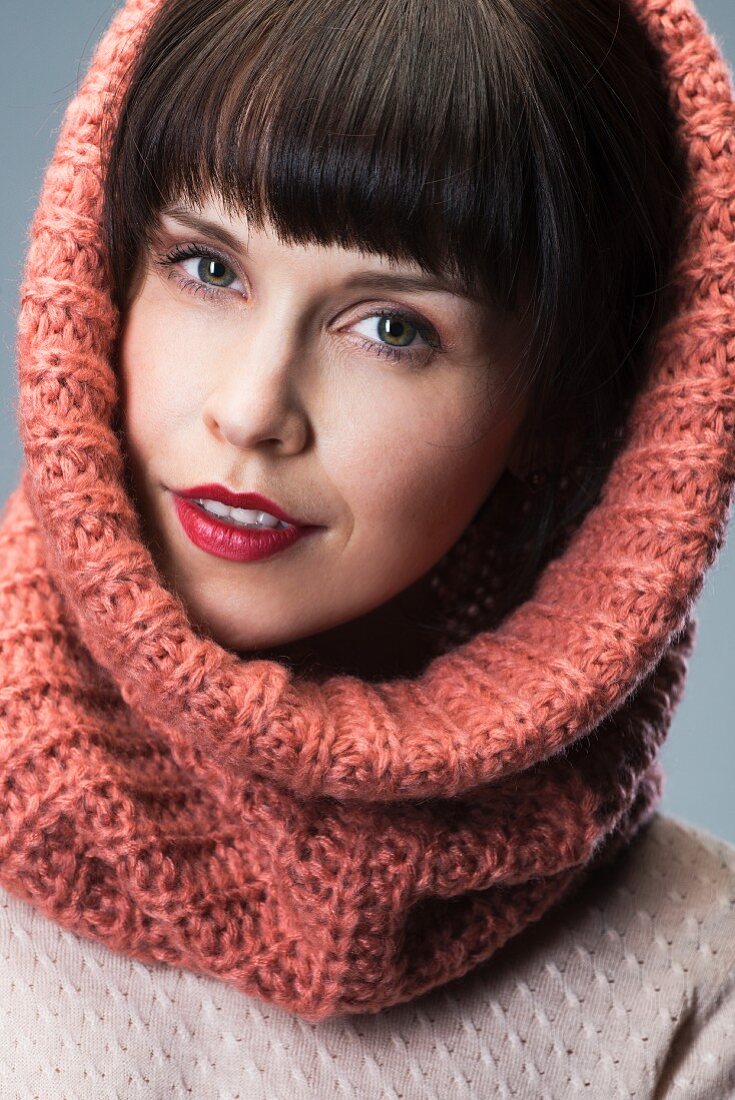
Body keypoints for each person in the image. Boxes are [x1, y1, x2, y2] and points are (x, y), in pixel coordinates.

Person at [0, 0, 733, 1095]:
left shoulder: (695, 961)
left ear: (563, 409)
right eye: (206, 267)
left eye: (393, 327)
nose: (252, 411)